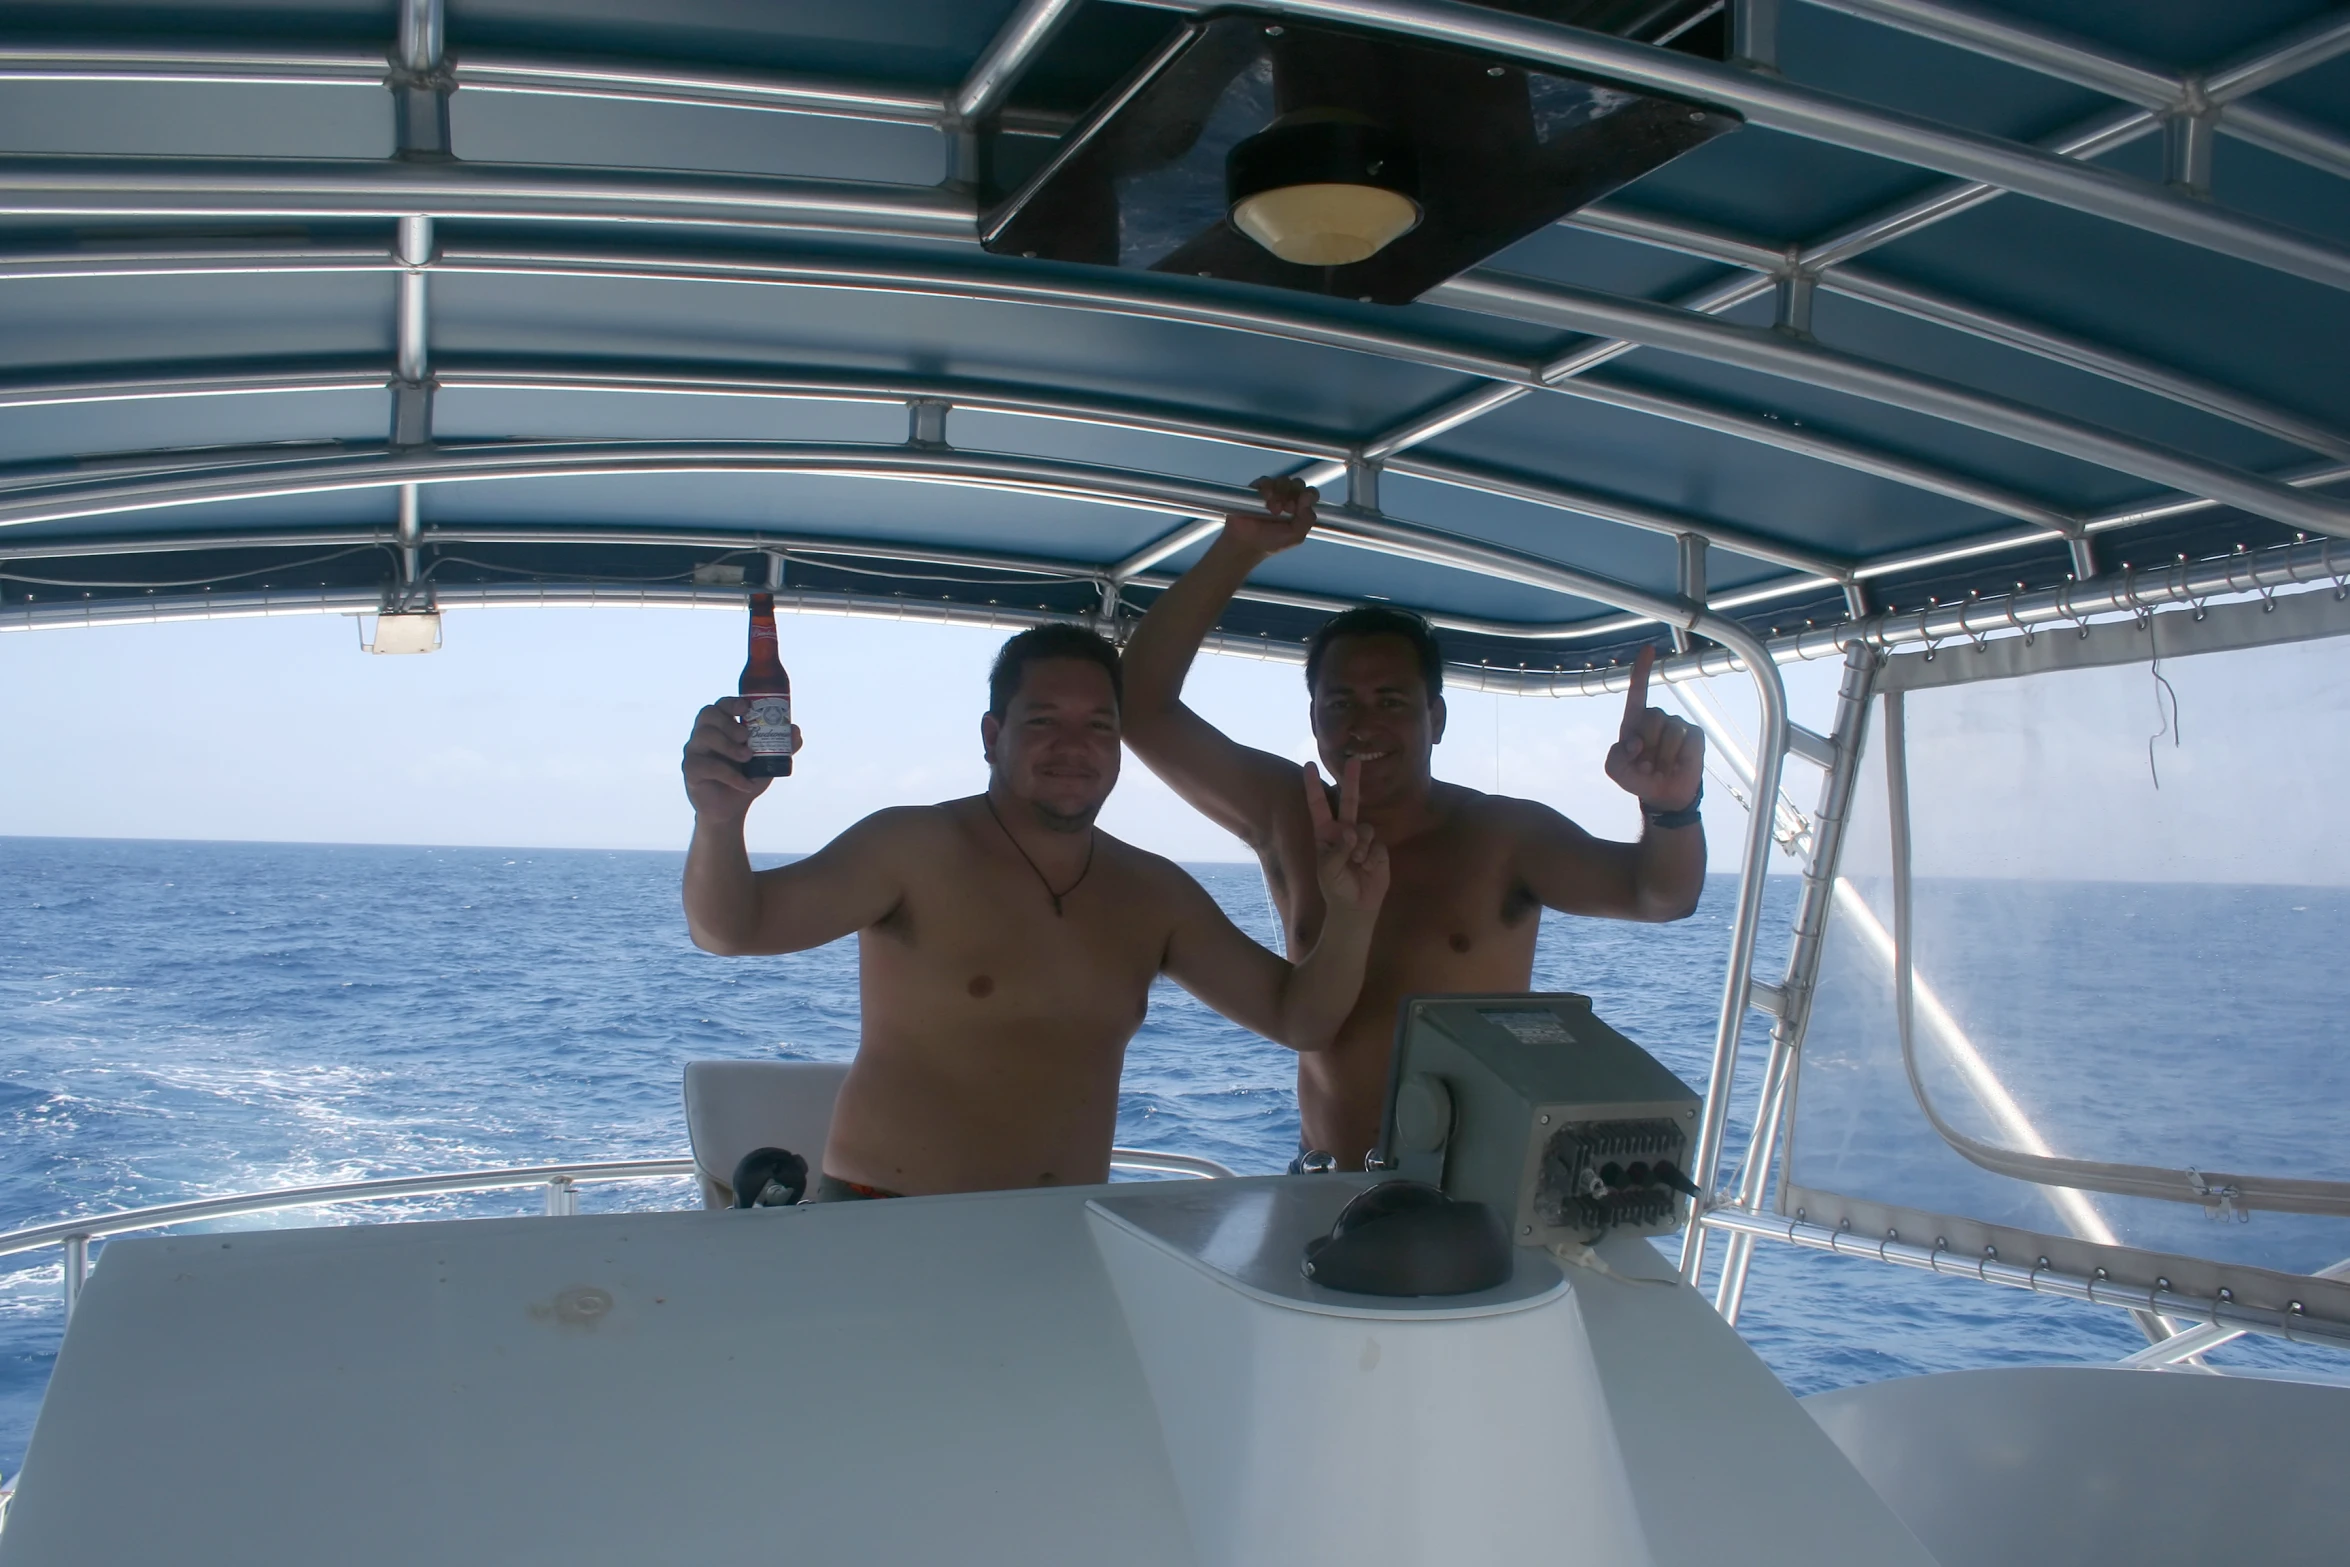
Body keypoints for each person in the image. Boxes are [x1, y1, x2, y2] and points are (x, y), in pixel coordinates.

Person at [680, 623, 1389, 1200]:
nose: (1073, 746)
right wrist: (719, 822)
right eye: (1044, 720)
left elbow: (1301, 1018)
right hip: (885, 1221)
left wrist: (1352, 916)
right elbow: (730, 928)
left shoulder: (1153, 893)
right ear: (993, 735)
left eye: (1098, 725)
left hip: (1059, 1230)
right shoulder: (913, 847)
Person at [1121, 478, 1706, 1171]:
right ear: (1315, 721)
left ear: (1437, 717)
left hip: (1469, 1202)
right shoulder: (1286, 810)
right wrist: (1238, 548)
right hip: (1324, 1186)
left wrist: (1670, 808)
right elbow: (1138, 706)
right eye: (1340, 704)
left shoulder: (1502, 837)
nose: (1364, 724)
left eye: (1391, 700)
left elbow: (1658, 894)